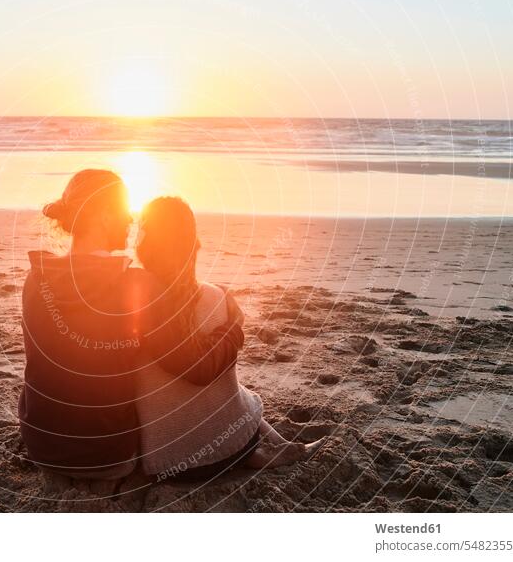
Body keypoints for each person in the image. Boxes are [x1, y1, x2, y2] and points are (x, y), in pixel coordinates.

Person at [19, 169, 245, 480]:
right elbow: (199, 368)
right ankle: (247, 433)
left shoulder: (35, 278)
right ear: (103, 215)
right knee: (209, 309)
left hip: (41, 448)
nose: (131, 221)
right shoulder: (135, 285)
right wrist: (233, 326)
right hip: (106, 457)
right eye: (126, 211)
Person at [134, 196, 324, 481]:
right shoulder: (219, 298)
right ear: (192, 245)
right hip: (230, 450)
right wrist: (233, 330)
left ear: (145, 243)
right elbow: (198, 368)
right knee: (238, 391)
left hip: (166, 464)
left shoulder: (128, 300)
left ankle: (273, 447)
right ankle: (271, 448)